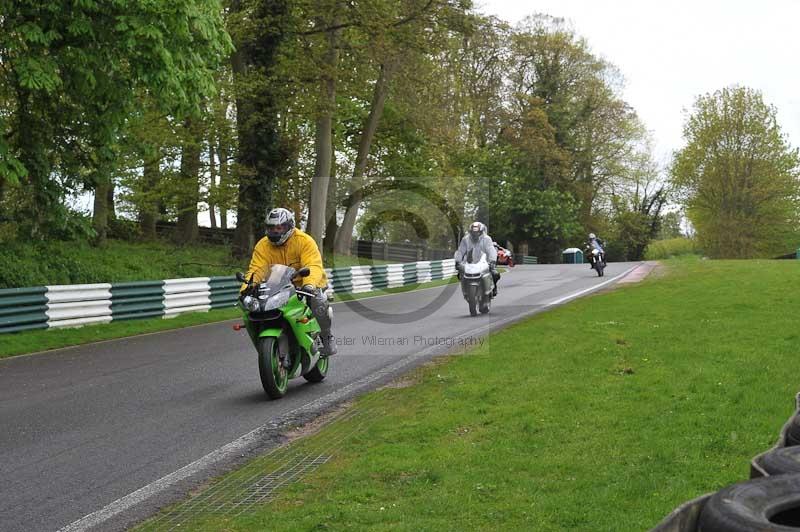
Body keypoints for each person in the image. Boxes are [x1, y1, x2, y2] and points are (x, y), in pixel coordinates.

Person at [241, 208, 337, 356]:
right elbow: (256, 269)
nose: (275, 231)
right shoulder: (262, 245)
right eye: (271, 228)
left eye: (279, 227)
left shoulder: (304, 241)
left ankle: (326, 338)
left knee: (317, 302)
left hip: (307, 284)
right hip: (278, 286)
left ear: (289, 226)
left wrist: (309, 284)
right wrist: (246, 288)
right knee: (254, 308)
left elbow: (313, 265)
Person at [454, 221, 500, 296]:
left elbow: (491, 250)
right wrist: (457, 261)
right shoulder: (465, 239)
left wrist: (492, 261)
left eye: (477, 232)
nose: (475, 234)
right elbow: (460, 251)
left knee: (495, 274)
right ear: (470, 232)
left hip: (485, 262)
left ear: (481, 231)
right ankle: (466, 290)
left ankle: (494, 287)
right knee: (460, 275)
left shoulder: (487, 239)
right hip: (470, 263)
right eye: (473, 232)